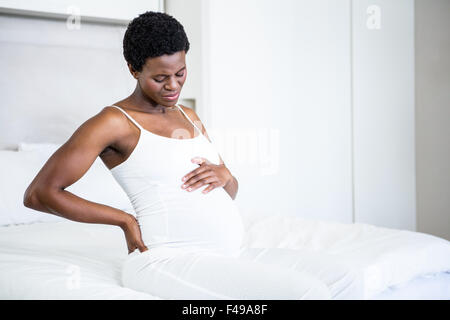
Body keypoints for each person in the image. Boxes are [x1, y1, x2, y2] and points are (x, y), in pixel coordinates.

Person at [23, 11, 361, 300]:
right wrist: (124, 220)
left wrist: (227, 176)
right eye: (160, 78)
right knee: (306, 293)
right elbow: (40, 194)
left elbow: (227, 193)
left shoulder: (189, 117)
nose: (173, 86)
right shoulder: (113, 122)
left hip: (229, 254)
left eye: (180, 73)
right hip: (166, 259)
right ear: (133, 69)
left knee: (348, 276)